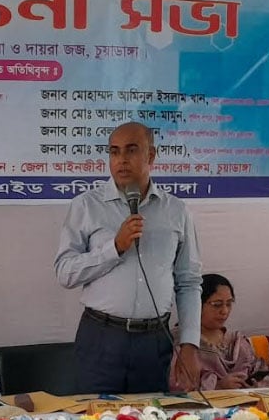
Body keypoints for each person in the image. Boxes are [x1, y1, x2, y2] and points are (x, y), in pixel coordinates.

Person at [55, 121, 202, 394]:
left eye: (131, 150)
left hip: (154, 341)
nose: (121, 159)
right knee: (95, 418)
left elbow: (189, 282)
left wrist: (190, 344)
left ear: (151, 156)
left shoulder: (176, 211)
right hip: (101, 338)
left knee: (151, 418)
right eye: (114, 151)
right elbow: (65, 272)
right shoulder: (86, 206)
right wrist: (115, 248)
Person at [169, 274, 269, 390]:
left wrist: (254, 385)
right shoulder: (181, 343)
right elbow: (176, 386)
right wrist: (217, 387)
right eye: (217, 305)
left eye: (229, 304)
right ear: (197, 305)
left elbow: (263, 374)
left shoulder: (237, 342)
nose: (224, 311)